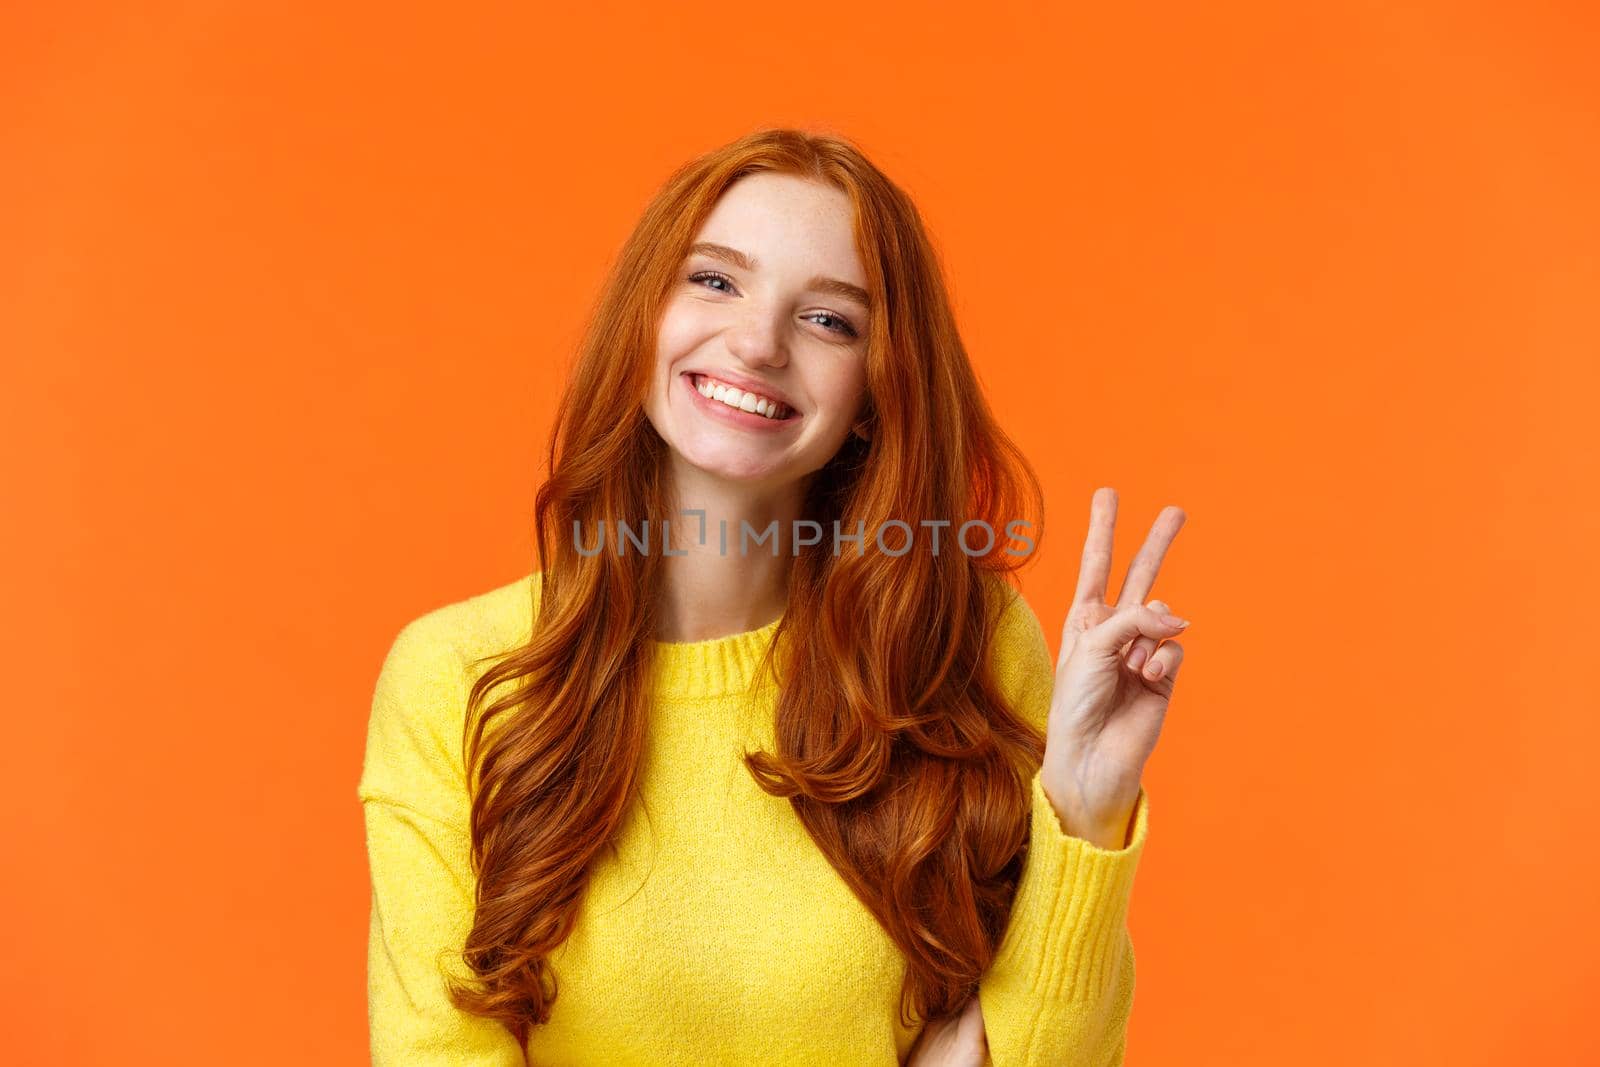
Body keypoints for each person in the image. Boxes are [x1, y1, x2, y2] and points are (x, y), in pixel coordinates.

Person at [358, 127, 1190, 1066]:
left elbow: (1053, 1053)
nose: (756, 342)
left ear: (877, 388)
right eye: (714, 280)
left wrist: (1086, 805)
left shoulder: (965, 645)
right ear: (645, 317)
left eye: (829, 319)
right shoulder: (458, 678)